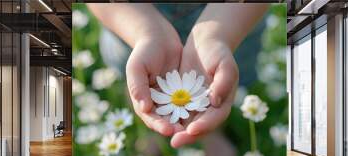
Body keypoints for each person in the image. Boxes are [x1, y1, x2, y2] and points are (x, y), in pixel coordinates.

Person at [88, 3, 267, 148]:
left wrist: (216, 37)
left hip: (232, 22)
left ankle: (212, 135)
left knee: (215, 88)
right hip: (131, 23)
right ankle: (150, 134)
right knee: (144, 83)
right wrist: (148, 32)